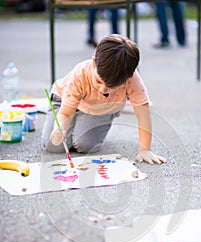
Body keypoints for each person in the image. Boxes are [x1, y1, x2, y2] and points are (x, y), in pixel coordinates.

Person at [41, 34, 166, 165]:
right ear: (94, 62)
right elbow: (66, 113)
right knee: (54, 145)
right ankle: (70, 125)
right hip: (63, 103)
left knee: (84, 146)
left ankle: (86, 124)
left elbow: (143, 116)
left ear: (128, 78)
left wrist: (145, 149)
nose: (102, 90)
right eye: (99, 81)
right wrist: (59, 129)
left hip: (99, 109)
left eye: (112, 86)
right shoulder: (80, 74)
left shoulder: (132, 79)